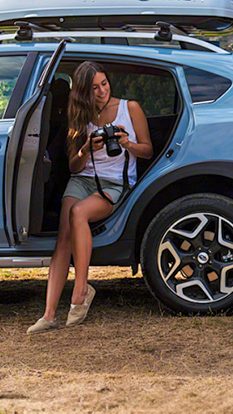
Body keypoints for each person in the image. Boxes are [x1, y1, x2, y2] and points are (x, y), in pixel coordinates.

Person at [30, 62, 152, 333]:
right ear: (83, 92)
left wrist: (126, 143)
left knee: (78, 214)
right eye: (94, 88)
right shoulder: (79, 115)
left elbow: (148, 151)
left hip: (114, 184)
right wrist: (85, 148)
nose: (101, 91)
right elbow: (74, 166)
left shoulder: (129, 108)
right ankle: (49, 315)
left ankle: (81, 290)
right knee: (63, 237)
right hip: (82, 181)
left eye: (104, 84)